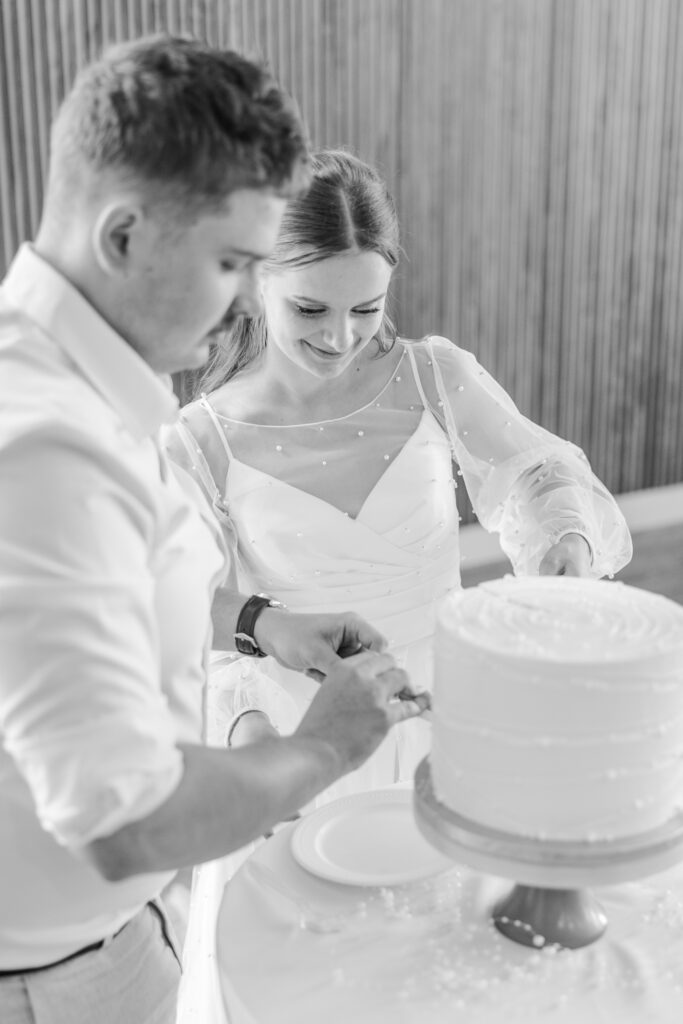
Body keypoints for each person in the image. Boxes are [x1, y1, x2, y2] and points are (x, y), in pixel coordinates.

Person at [0, 40, 427, 1024]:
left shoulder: (71, 388)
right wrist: (325, 747)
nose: (246, 300)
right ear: (123, 234)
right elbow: (125, 818)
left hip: (94, 943)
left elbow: (110, 597)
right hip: (55, 981)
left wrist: (262, 621)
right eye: (233, 261)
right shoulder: (48, 455)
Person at [167, 148, 633, 786]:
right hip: (302, 730)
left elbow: (537, 474)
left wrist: (568, 542)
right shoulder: (199, 440)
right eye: (311, 310)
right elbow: (191, 611)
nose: (339, 338)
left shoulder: (434, 377)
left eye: (366, 308)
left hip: (454, 704)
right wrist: (250, 738)